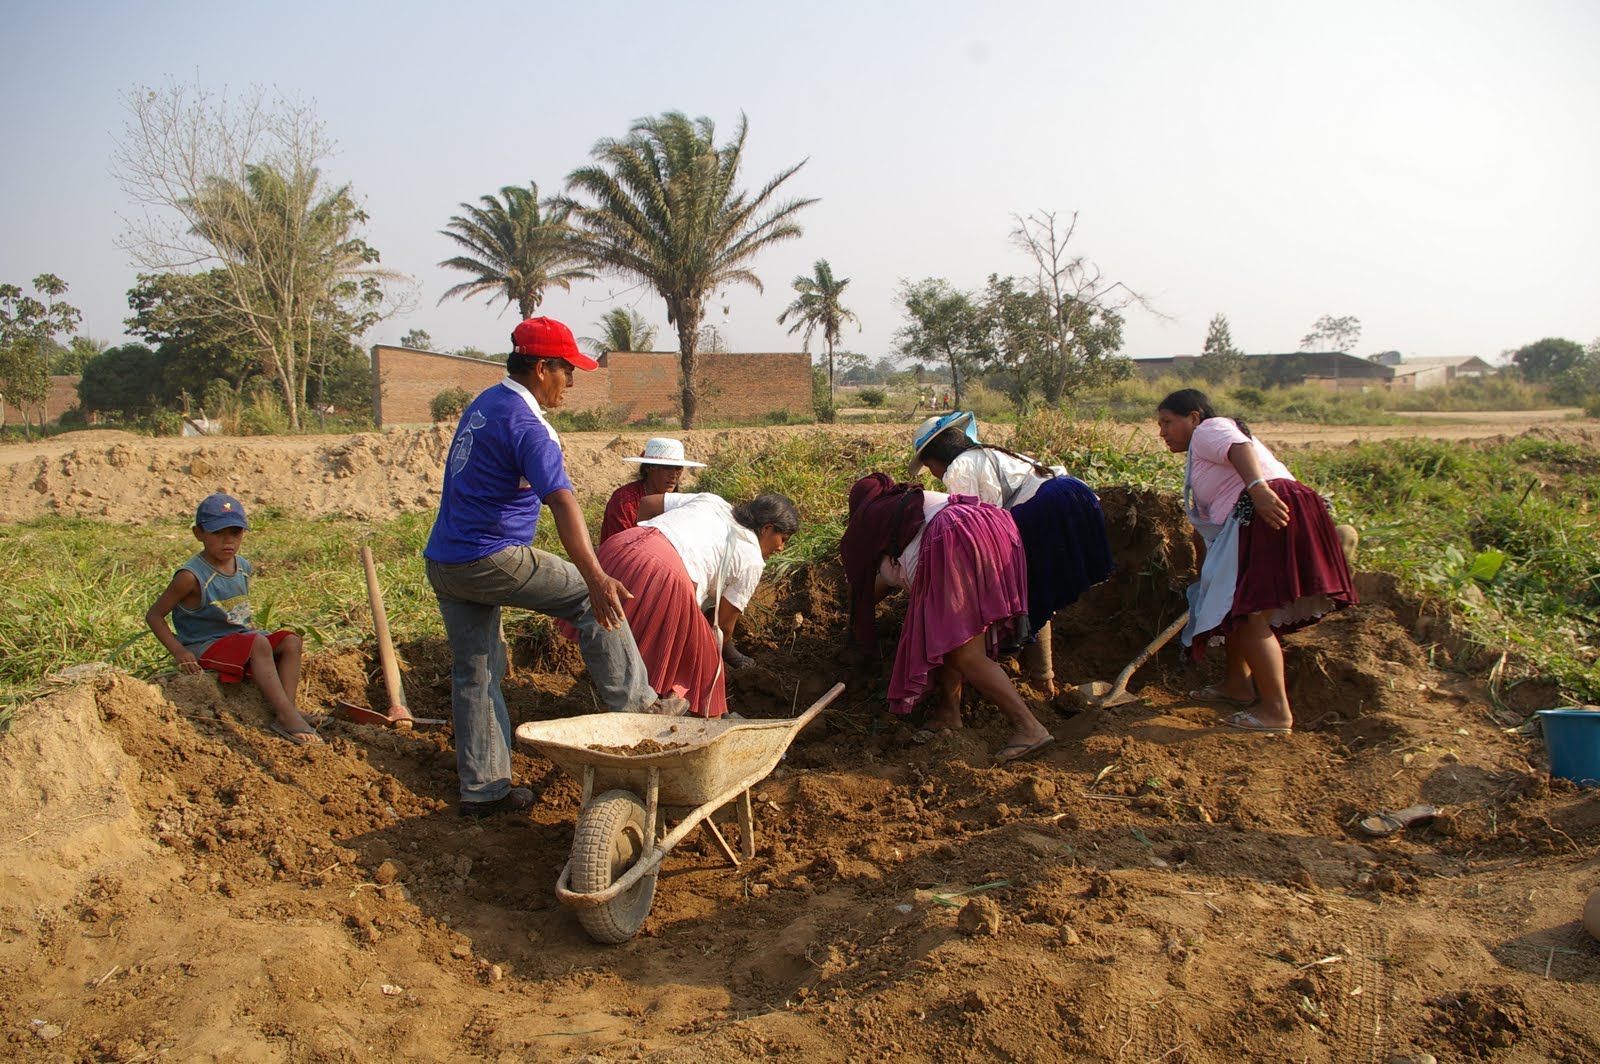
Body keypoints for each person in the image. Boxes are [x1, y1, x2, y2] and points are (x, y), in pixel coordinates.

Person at [424, 317, 686, 818]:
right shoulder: (529, 425)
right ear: (542, 368)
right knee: (593, 599)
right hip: (488, 555)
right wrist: (595, 574)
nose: (571, 383)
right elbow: (563, 503)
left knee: (475, 669)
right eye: (567, 372)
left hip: (446, 561)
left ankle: (484, 789)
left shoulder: (486, 404)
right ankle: (637, 708)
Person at [1155, 388, 1358, 734]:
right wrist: (1206, 577)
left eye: (1167, 422)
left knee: (1251, 617)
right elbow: (1207, 526)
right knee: (1232, 609)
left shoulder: (1210, 429)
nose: (1162, 432)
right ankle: (1238, 685)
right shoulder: (1202, 460)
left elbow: (1239, 446)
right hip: (1250, 522)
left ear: (1193, 417)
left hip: (1268, 512)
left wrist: (1258, 489)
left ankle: (1277, 712)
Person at [840, 473, 1054, 762]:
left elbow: (862, 591)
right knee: (951, 637)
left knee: (966, 654)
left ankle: (1029, 727)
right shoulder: (906, 506)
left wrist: (854, 628)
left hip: (954, 538)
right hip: (994, 525)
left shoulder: (868, 525)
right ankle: (950, 713)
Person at [910, 411, 1115, 694]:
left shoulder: (960, 468)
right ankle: (1043, 678)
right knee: (1033, 591)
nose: (933, 474)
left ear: (937, 457)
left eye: (929, 466)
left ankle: (1025, 671)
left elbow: (971, 525)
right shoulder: (991, 454)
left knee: (1018, 592)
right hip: (1076, 495)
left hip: (1046, 509)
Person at [596, 492, 798, 716]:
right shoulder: (752, 559)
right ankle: (687, 717)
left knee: (620, 633)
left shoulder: (712, 501)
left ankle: (614, 689)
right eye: (783, 540)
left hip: (620, 548)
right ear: (767, 528)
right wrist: (714, 654)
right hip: (664, 576)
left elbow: (648, 503)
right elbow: (722, 627)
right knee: (705, 667)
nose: (781, 549)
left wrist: (642, 553)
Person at [145, 493, 322, 746]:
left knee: (291, 641)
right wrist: (179, 650)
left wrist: (250, 629)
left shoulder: (242, 566)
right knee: (257, 645)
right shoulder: (191, 577)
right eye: (218, 533)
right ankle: (286, 716)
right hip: (204, 644)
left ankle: (289, 708)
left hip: (237, 639)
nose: (228, 541)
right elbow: (154, 615)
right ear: (199, 533)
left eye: (235, 533)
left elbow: (236, 611)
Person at [599, 437, 705, 544]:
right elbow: (619, 543)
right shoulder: (625, 499)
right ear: (649, 468)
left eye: (678, 468)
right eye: (667, 468)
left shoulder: (679, 502)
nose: (673, 475)